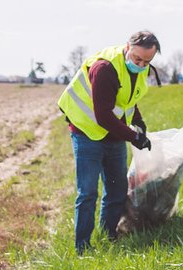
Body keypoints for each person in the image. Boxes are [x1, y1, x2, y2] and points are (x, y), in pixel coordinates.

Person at [57, 31, 159, 254]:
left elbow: (128, 100)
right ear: (127, 48)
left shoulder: (139, 70)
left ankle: (108, 236)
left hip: (113, 135)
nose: (141, 65)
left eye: (147, 62)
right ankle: (82, 248)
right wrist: (133, 137)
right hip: (86, 133)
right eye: (137, 59)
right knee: (88, 193)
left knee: (116, 190)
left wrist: (139, 125)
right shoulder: (104, 69)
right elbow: (102, 116)